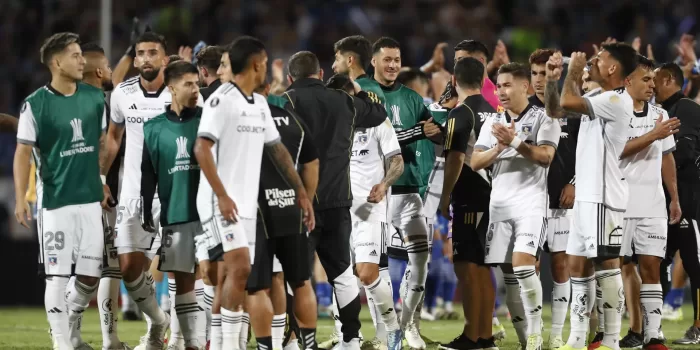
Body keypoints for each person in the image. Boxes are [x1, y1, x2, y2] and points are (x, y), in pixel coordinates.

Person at [194, 36, 314, 350]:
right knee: (239, 268)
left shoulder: (259, 104)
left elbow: (279, 152)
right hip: (217, 200)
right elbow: (202, 148)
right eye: (264, 62)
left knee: (238, 274)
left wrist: (301, 192)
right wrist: (220, 195)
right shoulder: (222, 100)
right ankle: (227, 344)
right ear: (257, 64)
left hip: (247, 205)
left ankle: (224, 342)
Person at [282, 50, 388, 350]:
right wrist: (356, 88)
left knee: (296, 278)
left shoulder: (284, 102)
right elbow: (378, 112)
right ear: (319, 74)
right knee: (342, 274)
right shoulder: (344, 102)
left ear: (291, 77)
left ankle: (295, 340)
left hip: (299, 204)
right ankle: (351, 340)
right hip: (338, 203)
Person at [14, 32, 107, 350]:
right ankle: (61, 342)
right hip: (56, 203)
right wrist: (19, 199)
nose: (83, 60)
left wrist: (103, 180)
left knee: (90, 277)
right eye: (75, 55)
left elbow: (103, 143)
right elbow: (22, 153)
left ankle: (66, 325)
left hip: (91, 201)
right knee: (56, 276)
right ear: (57, 62)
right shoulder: (35, 104)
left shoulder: (96, 99)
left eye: (82, 54)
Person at [547, 43, 639, 350]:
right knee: (578, 266)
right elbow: (555, 109)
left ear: (613, 68)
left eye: (599, 59)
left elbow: (567, 99)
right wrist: (552, 79)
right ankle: (576, 338)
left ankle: (611, 340)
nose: (591, 62)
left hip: (603, 197)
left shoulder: (615, 99)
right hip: (587, 197)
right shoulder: (598, 98)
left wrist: (572, 69)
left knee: (607, 264)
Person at [472, 62, 560, 350]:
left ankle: (535, 334)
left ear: (525, 86)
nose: (501, 91)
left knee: (524, 267)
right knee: (510, 279)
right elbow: (475, 162)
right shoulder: (492, 122)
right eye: (499, 86)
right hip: (500, 206)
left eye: (508, 84)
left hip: (531, 205)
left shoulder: (544, 118)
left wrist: (515, 141)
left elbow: (545, 157)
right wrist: (498, 148)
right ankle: (525, 340)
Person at [101, 31, 176, 349]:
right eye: (141, 53)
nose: (146, 58)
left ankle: (181, 339)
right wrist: (102, 177)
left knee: (178, 270)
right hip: (133, 195)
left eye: (152, 52)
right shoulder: (122, 93)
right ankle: (159, 323)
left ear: (165, 59)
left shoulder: (179, 92)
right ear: (135, 61)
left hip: (174, 193)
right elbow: (113, 137)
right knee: (130, 269)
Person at [372, 37, 441, 349]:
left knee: (421, 260)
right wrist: (416, 132)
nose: (392, 65)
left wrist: (441, 123)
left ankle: (408, 323)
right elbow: (379, 141)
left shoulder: (413, 99)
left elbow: (435, 131)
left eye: (397, 59)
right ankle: (383, 330)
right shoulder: (365, 94)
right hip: (377, 192)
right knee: (374, 265)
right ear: (374, 61)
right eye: (387, 59)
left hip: (410, 192)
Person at [244, 79, 320, 350]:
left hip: (256, 214)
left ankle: (267, 346)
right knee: (300, 281)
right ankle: (308, 345)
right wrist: (307, 201)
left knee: (258, 287)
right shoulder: (294, 120)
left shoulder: (241, 118)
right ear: (268, 90)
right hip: (291, 209)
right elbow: (311, 164)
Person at [139, 61, 207, 350]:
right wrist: (145, 210)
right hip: (174, 214)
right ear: (172, 88)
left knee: (213, 277)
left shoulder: (208, 119)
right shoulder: (153, 128)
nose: (195, 89)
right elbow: (148, 172)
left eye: (197, 84)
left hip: (209, 215)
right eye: (189, 84)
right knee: (183, 283)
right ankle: (192, 343)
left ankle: (222, 340)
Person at [617, 55, 681, 350]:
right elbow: (617, 151)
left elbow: (667, 157)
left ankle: (653, 335)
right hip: (618, 203)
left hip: (652, 205)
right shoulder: (614, 112)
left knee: (651, 267)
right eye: (646, 79)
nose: (652, 85)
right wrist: (652, 134)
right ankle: (616, 331)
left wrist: (674, 199)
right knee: (618, 268)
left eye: (653, 80)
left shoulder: (660, 114)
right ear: (627, 81)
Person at [437, 57, 499, 350]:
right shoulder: (493, 111)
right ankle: (484, 335)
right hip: (491, 196)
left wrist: (445, 195)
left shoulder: (460, 113)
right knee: (481, 266)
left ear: (453, 80)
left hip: (469, 197)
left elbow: (455, 158)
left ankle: (472, 336)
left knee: (466, 267)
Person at [80, 41, 134, 350]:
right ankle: (75, 336)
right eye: (109, 67)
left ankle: (107, 339)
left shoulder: (82, 100)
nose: (114, 71)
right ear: (99, 70)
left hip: (96, 195)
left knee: (99, 269)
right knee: (98, 270)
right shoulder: (96, 104)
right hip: (100, 195)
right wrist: (99, 182)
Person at [530, 48, 579, 350]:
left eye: (545, 72)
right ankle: (534, 332)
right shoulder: (521, 111)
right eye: (535, 73)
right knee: (528, 266)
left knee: (561, 266)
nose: (539, 79)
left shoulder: (570, 111)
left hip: (561, 201)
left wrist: (574, 183)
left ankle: (556, 334)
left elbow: (585, 153)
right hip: (530, 201)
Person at [654, 62, 700, 345]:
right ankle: (652, 325)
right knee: (657, 261)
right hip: (666, 201)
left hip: (688, 200)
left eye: (655, 79)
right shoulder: (665, 112)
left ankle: (698, 326)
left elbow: (684, 152)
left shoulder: (687, 109)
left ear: (669, 79)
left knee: (695, 264)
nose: (651, 86)